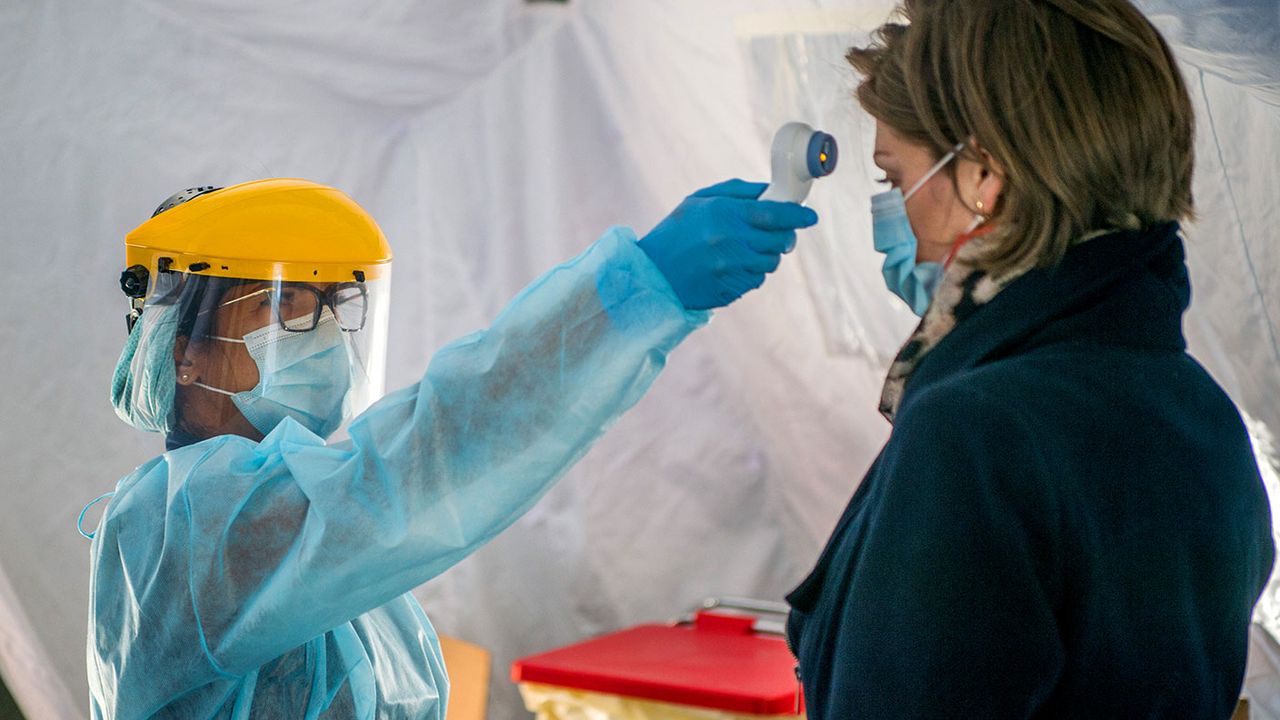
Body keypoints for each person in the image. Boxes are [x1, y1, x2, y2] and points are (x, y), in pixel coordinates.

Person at [86, 177, 817, 718]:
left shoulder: (294, 507)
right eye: (281, 307)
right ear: (182, 352)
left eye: (329, 308)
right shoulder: (183, 523)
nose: (320, 337)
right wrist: (631, 294)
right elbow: (429, 458)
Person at [784, 1, 1274, 717]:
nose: (901, 221)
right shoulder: (1201, 411)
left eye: (896, 182)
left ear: (984, 174)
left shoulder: (977, 433)